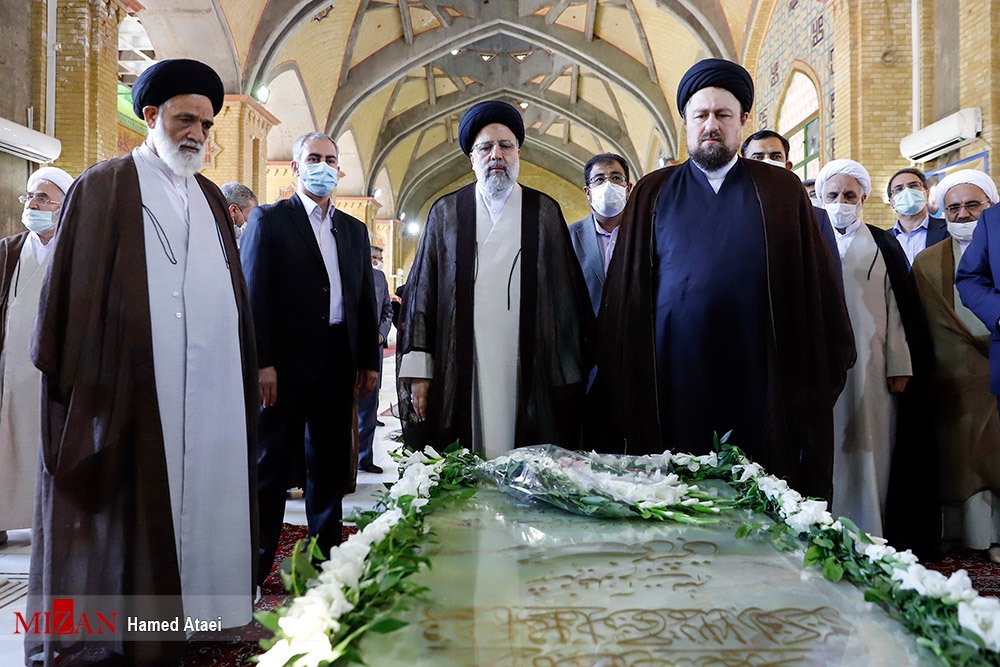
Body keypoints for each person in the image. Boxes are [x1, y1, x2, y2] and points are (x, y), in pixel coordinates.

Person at [26, 58, 259, 666]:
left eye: (206, 124)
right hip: (132, 392)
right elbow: (69, 301)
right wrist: (94, 385)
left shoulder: (210, 197)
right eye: (185, 120)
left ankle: (207, 616)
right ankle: (135, 633)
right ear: (151, 116)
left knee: (207, 500)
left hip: (210, 390)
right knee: (138, 511)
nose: (197, 134)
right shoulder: (104, 187)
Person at [589, 59, 854, 501]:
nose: (711, 125)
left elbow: (812, 285)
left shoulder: (780, 190)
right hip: (673, 374)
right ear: (686, 121)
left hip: (761, 371)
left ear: (742, 120)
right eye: (701, 115)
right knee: (681, 491)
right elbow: (627, 293)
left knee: (761, 489)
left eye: (723, 115)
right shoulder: (652, 192)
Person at [397, 100, 591, 458]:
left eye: (505, 146)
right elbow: (422, 297)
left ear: (518, 153)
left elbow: (565, 300)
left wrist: (568, 372)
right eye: (485, 147)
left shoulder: (544, 211)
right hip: (461, 359)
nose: (496, 155)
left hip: (528, 362)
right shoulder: (445, 213)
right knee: (465, 457)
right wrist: (420, 373)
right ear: (471, 158)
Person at [240, 131, 379, 583]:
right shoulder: (269, 220)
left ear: (339, 169)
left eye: (330, 160)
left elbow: (363, 300)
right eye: (314, 158)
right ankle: (256, 565)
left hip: (336, 361)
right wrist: (262, 363)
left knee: (329, 464)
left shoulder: (353, 230)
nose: (323, 166)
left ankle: (325, 560)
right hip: (283, 367)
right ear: (296, 167)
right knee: (271, 465)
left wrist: (369, 360)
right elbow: (254, 295)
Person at [816, 159, 914, 537]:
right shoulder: (809, 240)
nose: (841, 202)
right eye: (833, 195)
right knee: (828, 444)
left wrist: (899, 364)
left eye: (849, 195)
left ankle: (872, 525)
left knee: (872, 443)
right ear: (821, 199)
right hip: (821, 363)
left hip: (872, 364)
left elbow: (898, 306)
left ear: (863, 199)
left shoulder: (883, 243)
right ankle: (826, 521)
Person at [913, 170, 1000, 561]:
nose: (963, 214)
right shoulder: (927, 262)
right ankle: (956, 532)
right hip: (952, 376)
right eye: (953, 208)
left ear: (990, 207)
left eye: (972, 205)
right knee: (955, 458)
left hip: (994, 370)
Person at [0, 167, 73, 549]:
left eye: (43, 198)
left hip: (53, 372)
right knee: (6, 442)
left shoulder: (76, 252)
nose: (33, 205)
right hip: (9, 370)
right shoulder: (8, 250)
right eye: (29, 197)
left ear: (64, 206)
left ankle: (49, 521)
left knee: (49, 443)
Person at [740, 129, 842, 285]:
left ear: (787, 166)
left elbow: (829, 279)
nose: (767, 162)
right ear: (743, 166)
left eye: (776, 156)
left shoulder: (817, 217)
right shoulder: (729, 214)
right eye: (758, 157)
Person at [568, 153, 632, 314]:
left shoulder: (645, 232)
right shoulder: (569, 237)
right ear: (588, 192)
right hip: (587, 328)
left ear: (628, 189)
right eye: (599, 179)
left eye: (616, 178)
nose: (608, 185)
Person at [357, 245, 392, 473]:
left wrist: (381, 334)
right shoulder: (343, 271)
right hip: (347, 348)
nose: (378, 261)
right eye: (377, 258)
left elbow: (387, 310)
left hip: (373, 349)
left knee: (369, 405)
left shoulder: (379, 278)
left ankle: (364, 457)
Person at [887, 167, 949, 266]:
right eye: (899, 188)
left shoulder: (949, 229)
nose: (907, 191)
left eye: (913, 185)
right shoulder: (883, 239)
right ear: (891, 201)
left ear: (926, 193)